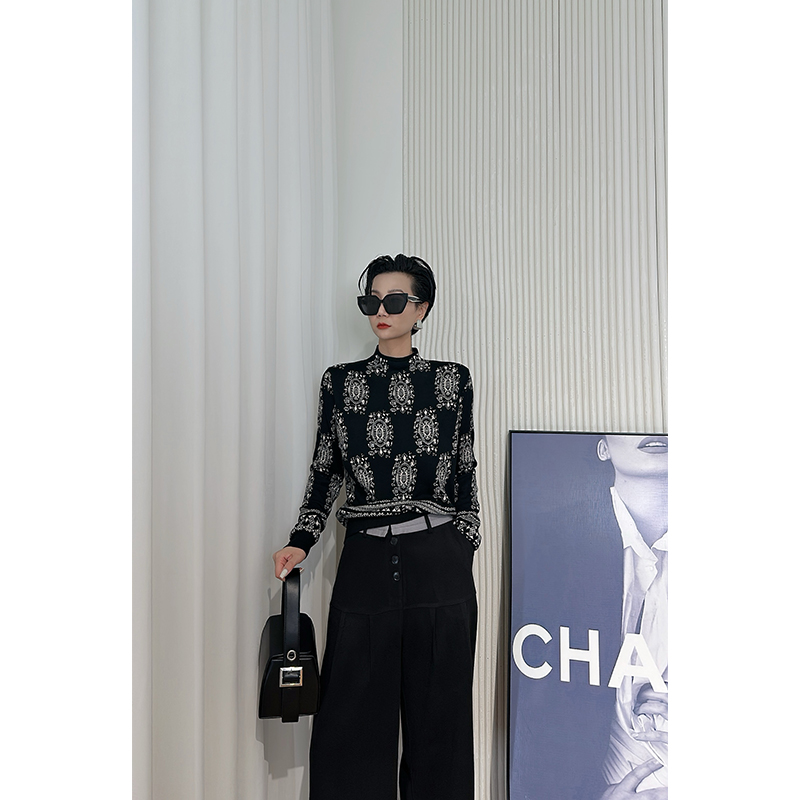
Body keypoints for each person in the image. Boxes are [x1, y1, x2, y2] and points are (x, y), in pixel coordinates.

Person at [272, 254, 481, 800]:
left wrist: (464, 540)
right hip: (365, 558)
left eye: (394, 300)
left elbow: (464, 468)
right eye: (372, 301)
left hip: (438, 561)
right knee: (350, 721)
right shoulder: (340, 383)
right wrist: (301, 539)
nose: (380, 311)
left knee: (441, 724)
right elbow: (326, 469)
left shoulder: (452, 380)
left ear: (421, 309)